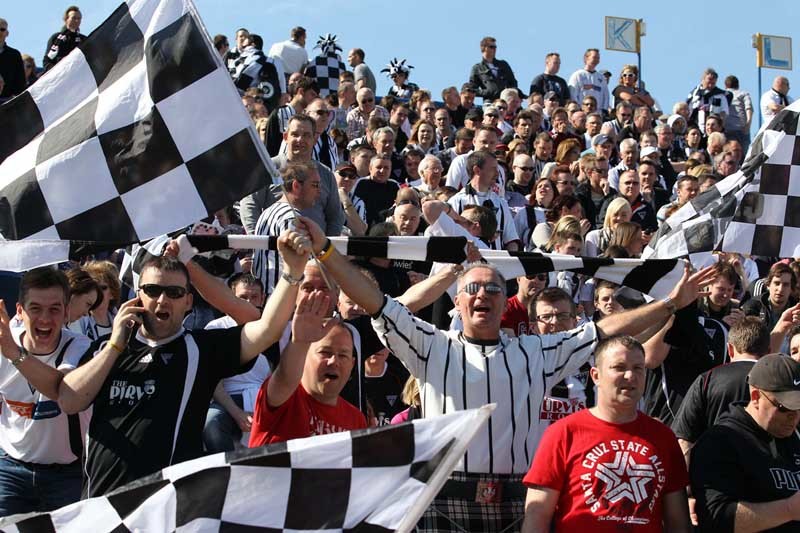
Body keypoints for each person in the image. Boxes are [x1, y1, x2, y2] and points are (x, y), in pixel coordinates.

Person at [291, 214, 713, 532]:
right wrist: (326, 250)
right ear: (457, 303)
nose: (483, 296)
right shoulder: (431, 344)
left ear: (504, 301)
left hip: (519, 496)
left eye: (494, 289)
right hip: (443, 491)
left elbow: (603, 329)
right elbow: (375, 300)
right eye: (472, 289)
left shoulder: (537, 350)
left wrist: (669, 304)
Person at [54, 232, 309, 496]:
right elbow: (68, 401)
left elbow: (265, 328)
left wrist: (292, 272)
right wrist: (115, 346)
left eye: (174, 293)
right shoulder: (108, 347)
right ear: (138, 296)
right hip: (102, 505)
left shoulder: (203, 348)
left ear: (188, 302)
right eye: (153, 291)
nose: (162, 300)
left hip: (167, 508)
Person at [521, 336, 691, 532]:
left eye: (638, 368)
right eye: (619, 367)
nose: (630, 376)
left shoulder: (663, 437)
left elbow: (678, 522)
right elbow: (537, 514)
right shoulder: (563, 433)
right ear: (596, 375)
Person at [0, 268, 92, 516]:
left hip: (66, 474)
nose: (44, 319)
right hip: (10, 468)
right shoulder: (5, 345)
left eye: (54, 309)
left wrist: (15, 355)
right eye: (35, 308)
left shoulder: (80, 347)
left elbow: (63, 391)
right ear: (20, 311)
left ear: (66, 313)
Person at [690, 354, 800, 532]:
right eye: (784, 407)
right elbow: (715, 516)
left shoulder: (792, 437)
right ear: (756, 397)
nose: (794, 416)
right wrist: (788, 509)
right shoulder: (721, 442)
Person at [672, 317, 770, 466]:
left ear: (729, 349)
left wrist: (687, 485)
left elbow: (684, 439)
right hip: (769, 477)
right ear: (768, 351)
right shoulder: (778, 382)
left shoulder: (708, 379)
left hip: (714, 476)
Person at [240, 113, 344, 237]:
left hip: (315, 251)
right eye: (295, 134)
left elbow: (335, 216)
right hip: (275, 249)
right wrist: (258, 243)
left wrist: (325, 249)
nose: (300, 140)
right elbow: (249, 205)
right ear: (285, 137)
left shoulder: (326, 174)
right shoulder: (268, 168)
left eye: (306, 135)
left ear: (315, 140)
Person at [202, 273, 271, 453]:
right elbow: (212, 382)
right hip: (227, 400)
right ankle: (225, 477)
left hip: (266, 398)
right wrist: (236, 413)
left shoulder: (274, 329)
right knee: (211, 424)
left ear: (263, 298)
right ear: (231, 298)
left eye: (254, 297)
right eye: (242, 297)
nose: (248, 302)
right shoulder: (214, 329)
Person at [252, 162, 320, 297]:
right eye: (315, 185)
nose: (319, 190)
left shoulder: (267, 212)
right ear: (296, 186)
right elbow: (304, 267)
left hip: (267, 298)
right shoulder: (290, 218)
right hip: (282, 300)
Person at [447, 150, 520, 250]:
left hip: (494, 263)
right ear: (477, 170)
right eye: (493, 169)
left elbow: (511, 240)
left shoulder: (501, 203)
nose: (497, 174)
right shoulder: (456, 202)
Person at [469, 36, 518, 102]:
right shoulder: (477, 68)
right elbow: (472, 89)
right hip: (489, 103)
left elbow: (513, 82)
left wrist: (509, 93)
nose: (495, 49)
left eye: (495, 47)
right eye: (492, 47)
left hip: (506, 102)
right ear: (484, 48)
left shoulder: (503, 64)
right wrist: (489, 92)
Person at [43, 6, 86, 72]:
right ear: (66, 19)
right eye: (74, 18)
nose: (77, 21)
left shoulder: (84, 40)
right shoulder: (56, 38)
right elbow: (47, 61)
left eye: (79, 18)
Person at [568, 48, 610, 115]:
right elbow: (573, 94)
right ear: (586, 58)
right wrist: (577, 110)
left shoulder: (601, 77)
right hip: (582, 113)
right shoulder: (577, 75)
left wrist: (604, 110)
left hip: (597, 114)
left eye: (598, 58)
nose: (596, 60)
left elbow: (606, 95)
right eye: (594, 57)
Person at [687, 68, 729, 133]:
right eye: (709, 79)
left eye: (714, 80)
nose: (712, 82)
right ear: (703, 79)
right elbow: (688, 111)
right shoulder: (694, 95)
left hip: (713, 130)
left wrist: (720, 126)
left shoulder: (720, 95)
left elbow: (724, 113)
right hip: (696, 129)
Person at [724, 75, 753, 152]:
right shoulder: (743, 94)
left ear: (725, 85)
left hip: (727, 129)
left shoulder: (723, 94)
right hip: (742, 129)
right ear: (738, 85)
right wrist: (748, 124)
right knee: (743, 156)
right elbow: (749, 108)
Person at [0, 18, 25, 100]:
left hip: (7, 103)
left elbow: (20, 83)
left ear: (7, 33)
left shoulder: (14, 55)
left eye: (2, 29)